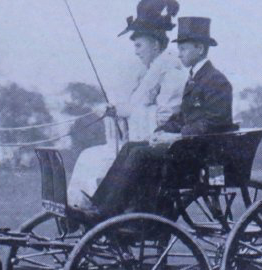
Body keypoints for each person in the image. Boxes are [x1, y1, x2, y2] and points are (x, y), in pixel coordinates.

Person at [78, 16, 236, 221]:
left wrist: (176, 137)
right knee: (131, 147)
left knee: (140, 155)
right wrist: (161, 132)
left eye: (184, 48)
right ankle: (99, 204)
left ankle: (108, 212)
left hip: (203, 155)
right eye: (178, 49)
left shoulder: (216, 80)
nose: (179, 53)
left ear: (199, 48)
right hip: (189, 147)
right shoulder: (196, 77)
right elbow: (183, 116)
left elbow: (214, 123)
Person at [67, 0, 187, 208]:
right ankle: (81, 206)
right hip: (140, 143)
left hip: (158, 147)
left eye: (139, 45)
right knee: (88, 156)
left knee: (100, 161)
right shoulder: (150, 72)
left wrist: (126, 112)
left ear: (155, 44)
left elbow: (165, 117)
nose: (136, 51)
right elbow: (136, 108)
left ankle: (101, 208)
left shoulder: (171, 71)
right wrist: (116, 111)